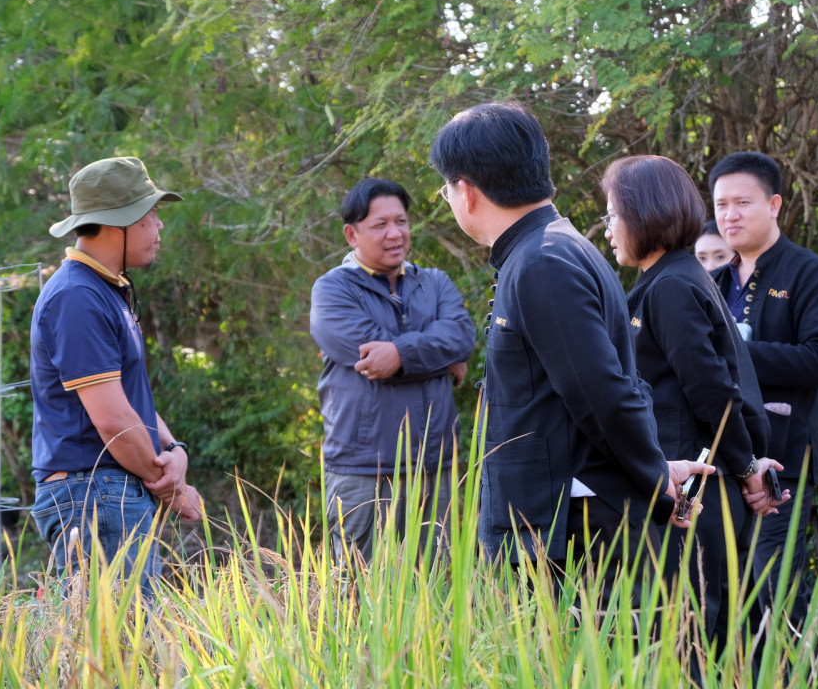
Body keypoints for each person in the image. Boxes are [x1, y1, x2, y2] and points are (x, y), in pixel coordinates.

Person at [428, 103, 715, 588]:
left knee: (580, 641)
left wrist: (656, 481)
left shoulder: (543, 261)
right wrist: (656, 469)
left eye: (446, 189)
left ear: (467, 191)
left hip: (571, 530)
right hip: (563, 519)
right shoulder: (550, 249)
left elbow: (603, 393)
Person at [602, 154, 787, 655]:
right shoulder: (672, 278)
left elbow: (712, 390)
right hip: (698, 484)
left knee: (691, 639)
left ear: (644, 213)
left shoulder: (673, 286)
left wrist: (745, 467)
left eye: (613, 215)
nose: (608, 230)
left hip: (696, 489)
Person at [31, 156, 202, 595]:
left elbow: (127, 401)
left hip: (107, 491)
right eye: (151, 213)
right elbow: (112, 421)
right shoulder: (77, 297)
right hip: (94, 493)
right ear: (117, 223)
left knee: (133, 635)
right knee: (125, 636)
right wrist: (171, 489)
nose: (159, 226)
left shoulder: (104, 290)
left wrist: (173, 450)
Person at [708, 151, 818, 626]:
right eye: (721, 205)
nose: (730, 215)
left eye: (742, 202)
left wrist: (739, 353)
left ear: (774, 205)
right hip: (721, 464)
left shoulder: (811, 274)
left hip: (781, 468)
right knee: (724, 596)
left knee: (774, 596)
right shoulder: (711, 283)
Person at [310, 178, 475, 563]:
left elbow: (462, 335)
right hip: (363, 470)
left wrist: (400, 353)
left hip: (435, 468)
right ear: (351, 234)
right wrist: (438, 358)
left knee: (438, 587)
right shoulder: (333, 290)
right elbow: (371, 355)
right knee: (360, 590)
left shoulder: (435, 283)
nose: (395, 233)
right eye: (380, 224)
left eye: (401, 222)